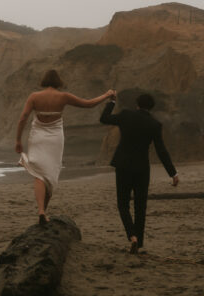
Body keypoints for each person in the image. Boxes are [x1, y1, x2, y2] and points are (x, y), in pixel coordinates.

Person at [15, 69, 115, 224]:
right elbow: (89, 104)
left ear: (44, 80)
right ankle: (43, 212)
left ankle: (41, 211)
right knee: (50, 174)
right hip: (55, 138)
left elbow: (23, 118)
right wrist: (107, 95)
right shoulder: (63, 97)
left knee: (38, 173)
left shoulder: (34, 97)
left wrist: (18, 140)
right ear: (58, 82)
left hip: (38, 137)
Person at [100, 92, 178, 254]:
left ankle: (132, 236)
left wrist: (112, 102)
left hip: (123, 166)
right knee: (140, 207)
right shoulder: (154, 124)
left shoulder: (126, 115)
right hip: (142, 169)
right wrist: (172, 173)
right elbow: (161, 150)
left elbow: (104, 118)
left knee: (123, 204)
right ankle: (140, 244)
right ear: (151, 107)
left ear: (137, 104)